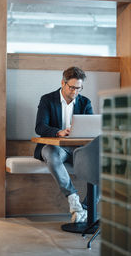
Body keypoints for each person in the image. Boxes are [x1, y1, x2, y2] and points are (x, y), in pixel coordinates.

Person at [34, 66, 93, 223]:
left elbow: (91, 128)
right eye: (72, 87)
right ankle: (73, 200)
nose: (75, 92)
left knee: (104, 166)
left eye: (78, 88)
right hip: (57, 148)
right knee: (49, 152)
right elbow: (40, 126)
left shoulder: (85, 102)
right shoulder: (47, 100)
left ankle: (85, 209)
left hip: (78, 150)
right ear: (63, 83)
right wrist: (58, 132)